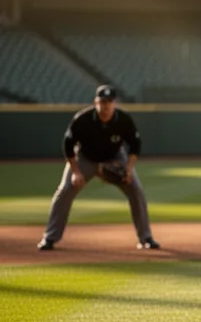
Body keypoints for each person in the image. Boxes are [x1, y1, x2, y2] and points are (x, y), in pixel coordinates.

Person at [37, 85, 159, 251]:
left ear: (114, 104)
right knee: (65, 191)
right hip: (85, 158)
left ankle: (146, 238)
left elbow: (135, 146)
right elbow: (68, 145)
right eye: (102, 102)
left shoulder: (123, 120)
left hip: (115, 158)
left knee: (136, 190)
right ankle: (49, 237)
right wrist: (76, 172)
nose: (105, 106)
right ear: (96, 102)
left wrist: (128, 169)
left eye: (109, 102)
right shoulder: (83, 119)